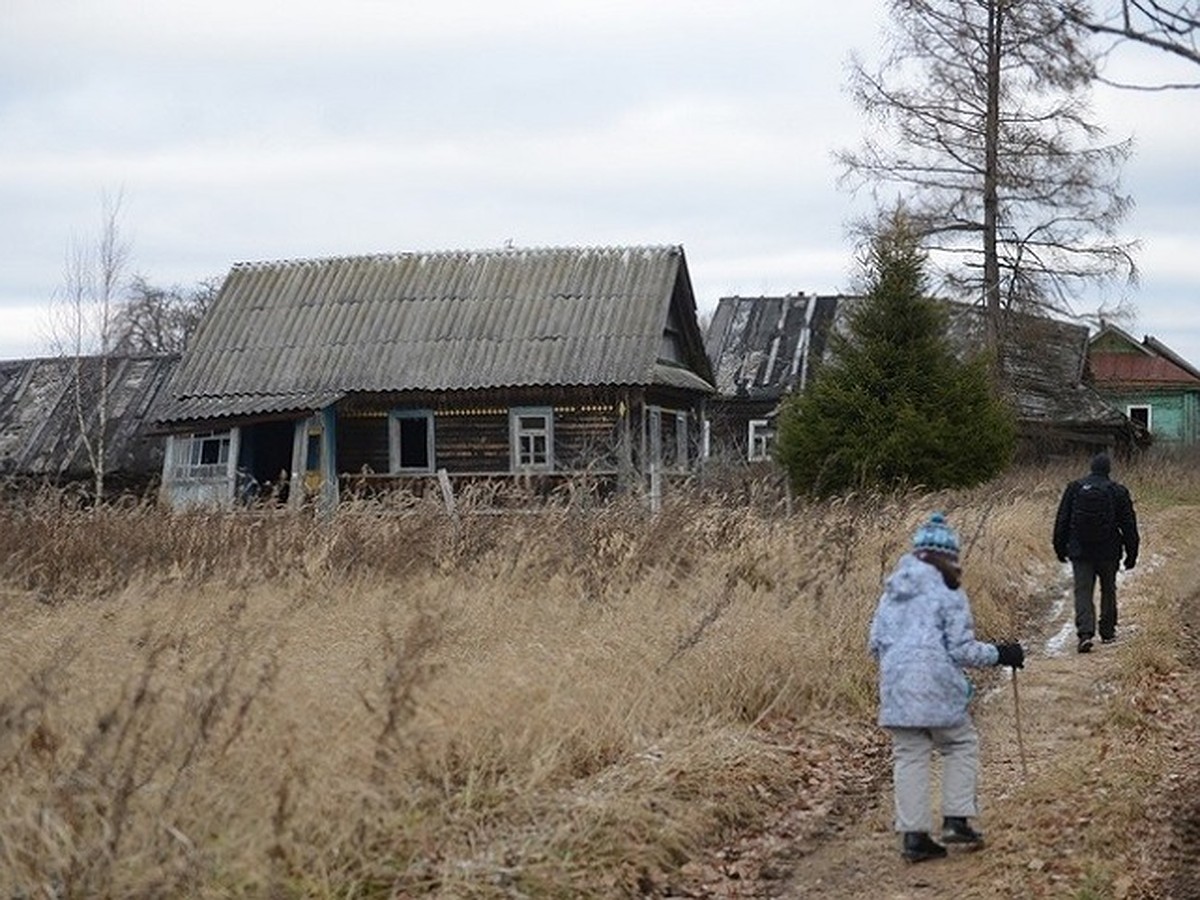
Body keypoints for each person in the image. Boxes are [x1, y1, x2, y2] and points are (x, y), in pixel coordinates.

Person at [868, 512, 1025, 863]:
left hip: (895, 690)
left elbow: (874, 643)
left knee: (909, 755)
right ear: (947, 555)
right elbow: (961, 650)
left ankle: (914, 838)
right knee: (960, 743)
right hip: (937, 688)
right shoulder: (949, 593)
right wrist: (1002, 653)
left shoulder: (891, 592)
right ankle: (956, 819)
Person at [1052, 452, 1139, 654]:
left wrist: (1059, 547)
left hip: (1080, 550)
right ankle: (1107, 630)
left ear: (1091, 468)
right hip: (1109, 551)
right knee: (1108, 589)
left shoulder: (1075, 488)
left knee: (1083, 591)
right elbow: (1129, 525)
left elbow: (1062, 520)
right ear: (1108, 470)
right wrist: (1131, 554)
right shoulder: (1118, 491)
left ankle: (1085, 633)